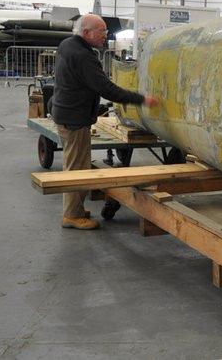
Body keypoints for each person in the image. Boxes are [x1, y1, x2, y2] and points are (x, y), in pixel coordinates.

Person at [51, 14, 159, 230]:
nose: (106, 35)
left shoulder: (67, 45)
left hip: (65, 113)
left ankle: (76, 210)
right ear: (86, 33)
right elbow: (106, 89)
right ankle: (72, 215)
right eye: (102, 31)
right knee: (77, 170)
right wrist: (142, 99)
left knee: (75, 165)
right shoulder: (83, 56)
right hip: (74, 119)